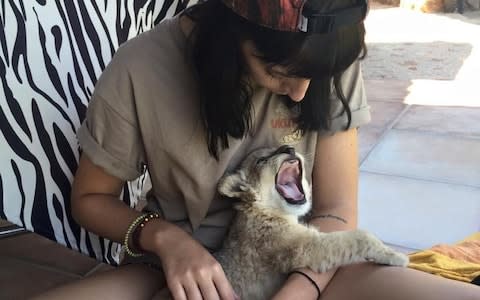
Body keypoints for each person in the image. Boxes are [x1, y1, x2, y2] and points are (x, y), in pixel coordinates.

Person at [32, 0, 480, 299]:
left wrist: (300, 289)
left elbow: (337, 211)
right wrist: (167, 241)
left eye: (314, 78)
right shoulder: (141, 68)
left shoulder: (324, 56)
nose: (301, 94)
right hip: (182, 270)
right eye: (281, 72)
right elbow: (91, 199)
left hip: (303, 260)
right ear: (232, 39)